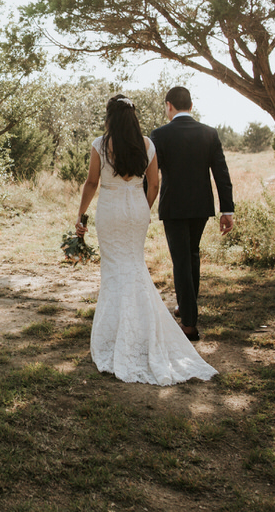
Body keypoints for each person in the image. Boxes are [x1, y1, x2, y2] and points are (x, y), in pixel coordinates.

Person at [75, 94, 217, 385]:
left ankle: (115, 334)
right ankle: (140, 330)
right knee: (135, 266)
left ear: (110, 118)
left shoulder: (100, 144)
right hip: (137, 210)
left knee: (114, 269)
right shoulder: (147, 145)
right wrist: (143, 208)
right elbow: (154, 184)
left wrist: (80, 214)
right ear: (133, 117)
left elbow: (92, 182)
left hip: (110, 210)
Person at [149, 86, 235, 342]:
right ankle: (186, 306)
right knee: (192, 255)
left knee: (181, 260)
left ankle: (189, 323)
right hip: (200, 206)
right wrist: (227, 209)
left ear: (169, 106)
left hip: (173, 207)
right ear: (191, 105)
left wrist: (142, 204)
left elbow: (151, 177)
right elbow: (221, 173)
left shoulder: (159, 135)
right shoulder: (209, 133)